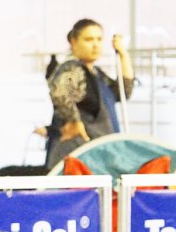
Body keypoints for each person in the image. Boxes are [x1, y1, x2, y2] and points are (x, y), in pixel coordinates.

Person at [45, 19, 134, 170]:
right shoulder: (72, 68)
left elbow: (123, 92)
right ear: (73, 41)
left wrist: (124, 55)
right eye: (89, 39)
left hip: (98, 157)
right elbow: (59, 93)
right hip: (77, 157)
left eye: (99, 39)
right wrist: (73, 121)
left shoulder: (97, 74)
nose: (95, 45)